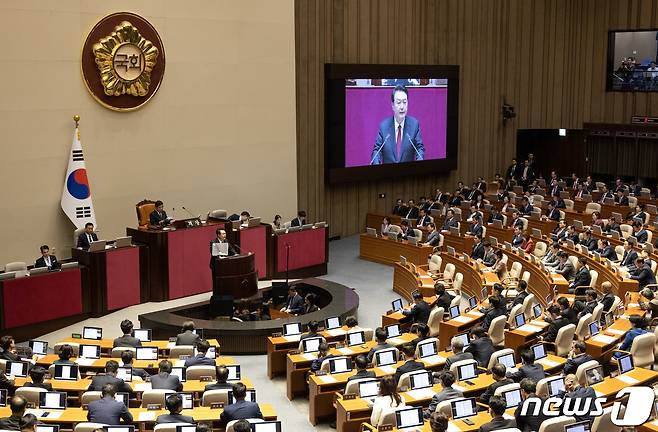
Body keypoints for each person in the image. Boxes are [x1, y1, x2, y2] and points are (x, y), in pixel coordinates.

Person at [370, 85, 424, 165]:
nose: (402, 107)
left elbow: (420, 148)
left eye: (404, 102)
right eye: (398, 103)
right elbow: (376, 150)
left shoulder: (414, 125)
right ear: (393, 105)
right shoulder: (384, 127)